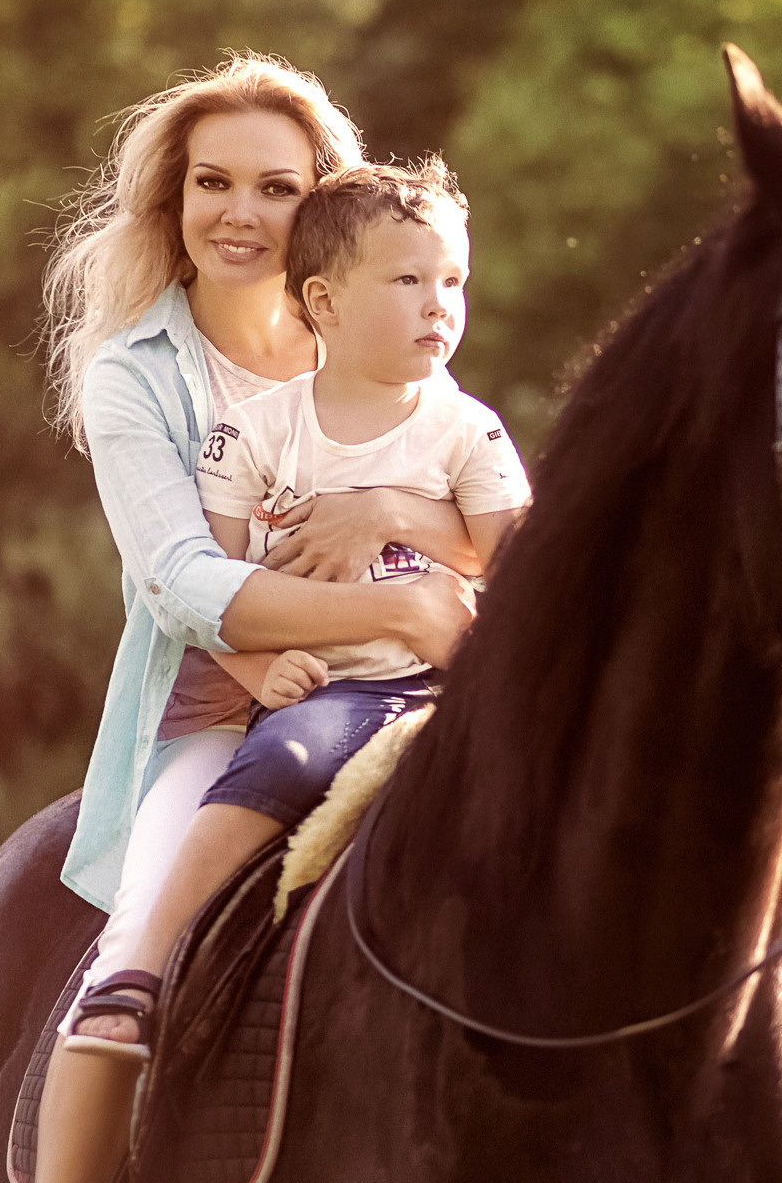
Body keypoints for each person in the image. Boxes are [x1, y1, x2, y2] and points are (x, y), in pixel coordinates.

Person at [0, 57, 481, 1183]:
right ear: (174, 198)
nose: (242, 212)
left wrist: (399, 528)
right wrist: (394, 609)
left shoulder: (385, 324)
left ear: (324, 207)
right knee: (128, 969)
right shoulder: (136, 377)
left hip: (416, 696)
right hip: (212, 718)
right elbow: (180, 580)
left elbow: (483, 523)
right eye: (214, 183)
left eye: (277, 185)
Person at [68, 155, 527, 1075]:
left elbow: (521, 563)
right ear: (324, 301)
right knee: (283, 759)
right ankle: (143, 964)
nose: (440, 305)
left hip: (451, 675)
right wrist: (258, 669)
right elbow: (214, 578)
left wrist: (398, 517)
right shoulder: (258, 432)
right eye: (409, 282)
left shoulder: (466, 429)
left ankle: (741, 973)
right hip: (336, 690)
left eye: (453, 281)